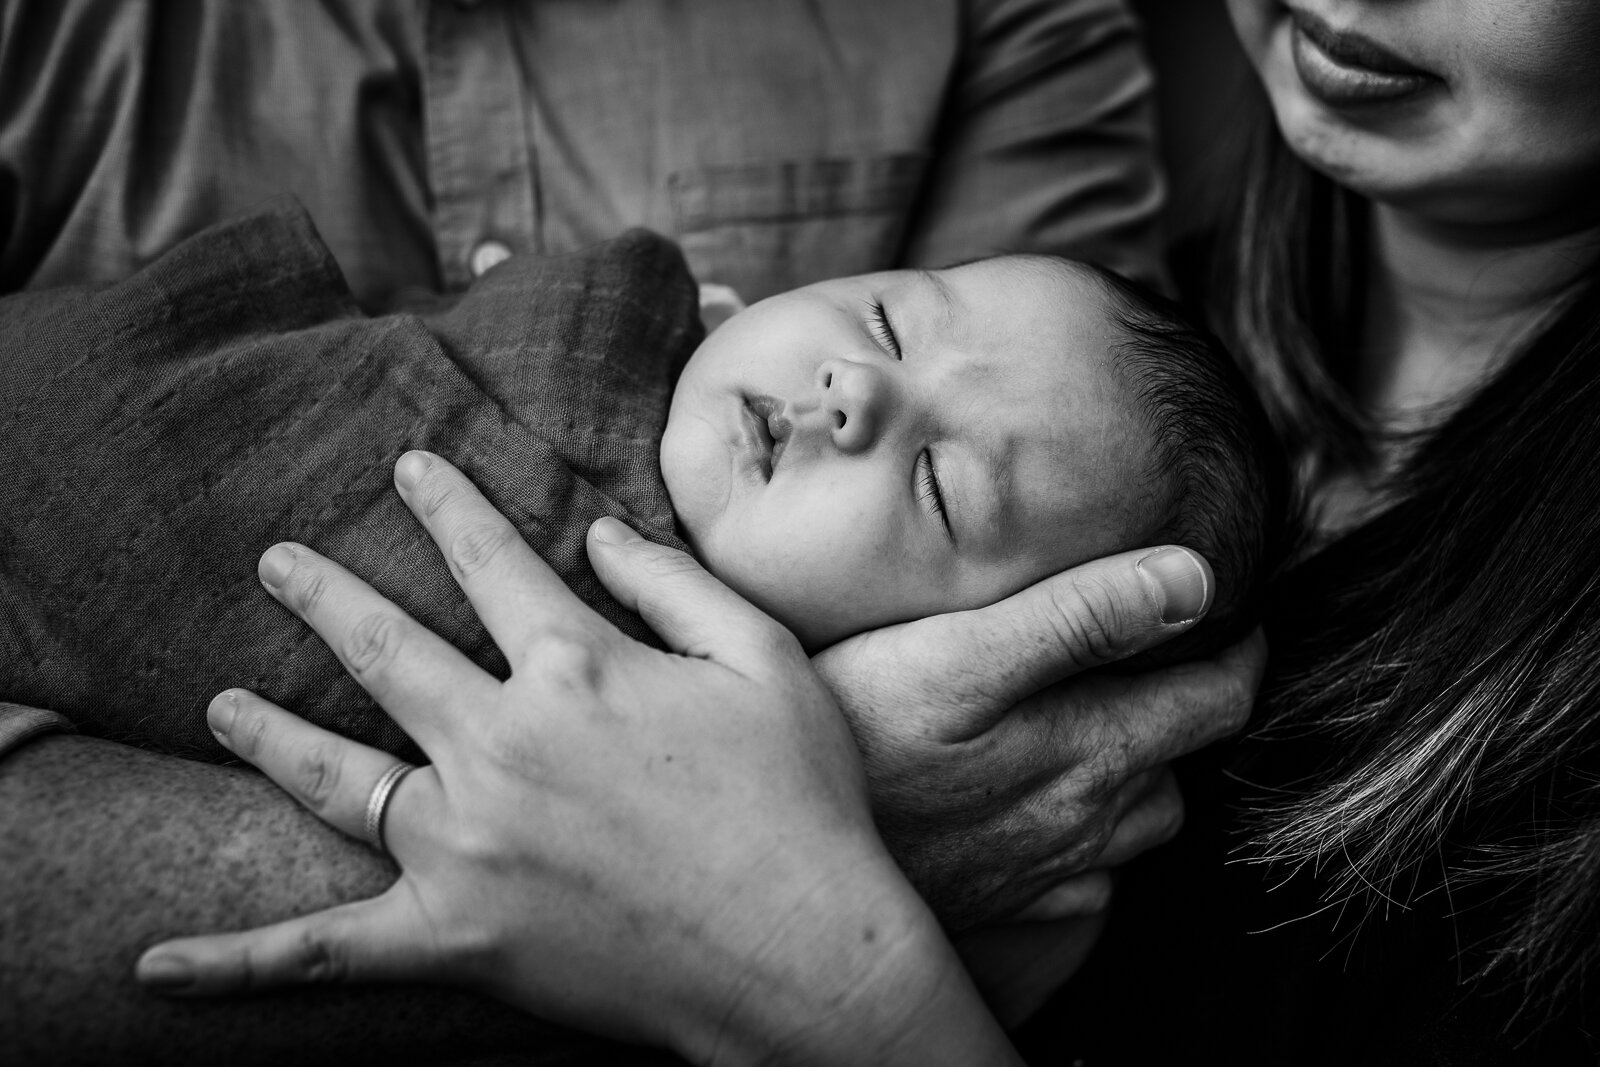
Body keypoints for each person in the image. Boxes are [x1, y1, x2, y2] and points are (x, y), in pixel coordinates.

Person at [1, 201, 1283, 775]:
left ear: (969, 663)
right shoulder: (621, 330)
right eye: (889, 319)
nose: (854, 391)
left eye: (943, 488)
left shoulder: (658, 704)